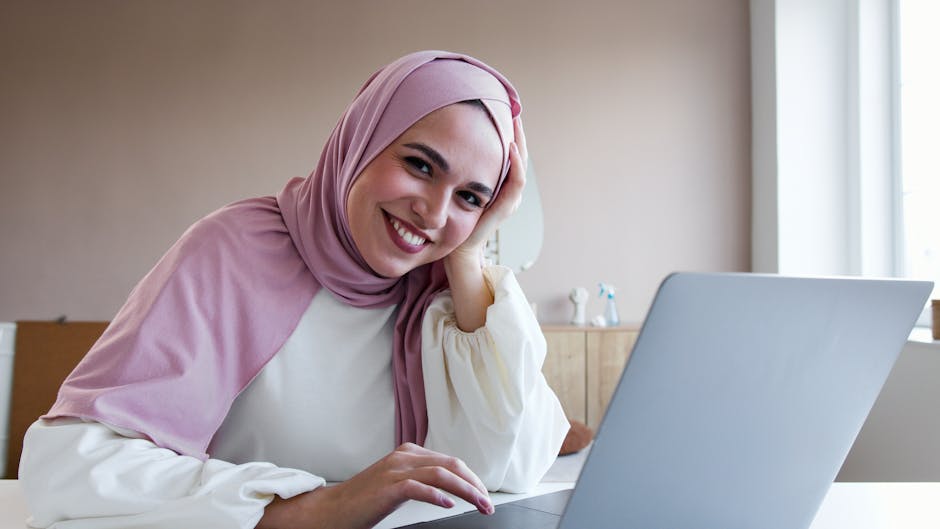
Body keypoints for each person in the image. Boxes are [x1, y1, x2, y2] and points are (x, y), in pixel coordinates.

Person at [17, 50, 569, 529]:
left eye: (471, 198)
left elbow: (509, 466)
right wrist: (311, 509)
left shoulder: (443, 291)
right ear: (363, 138)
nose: (434, 212)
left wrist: (469, 253)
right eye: (420, 165)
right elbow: (70, 466)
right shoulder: (234, 251)